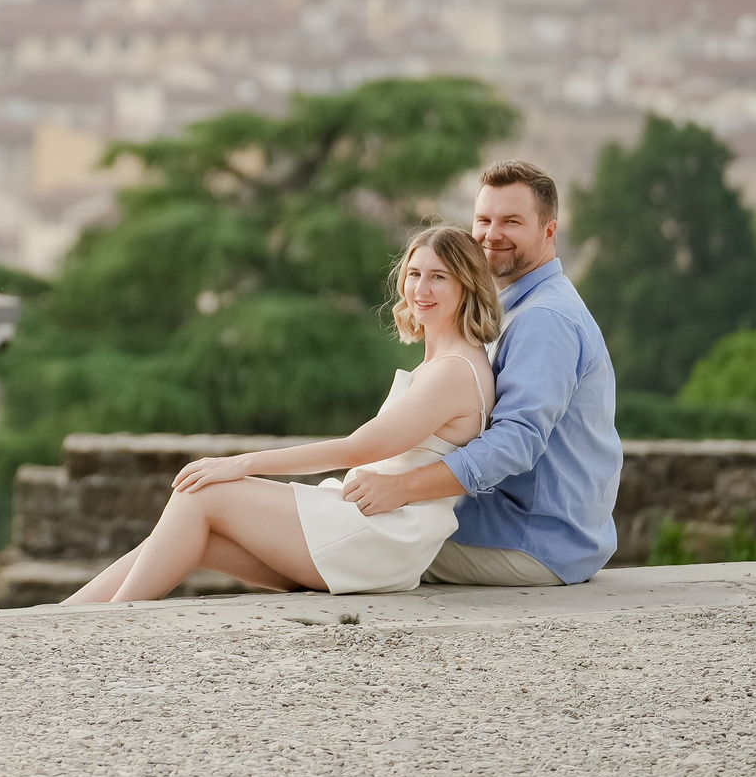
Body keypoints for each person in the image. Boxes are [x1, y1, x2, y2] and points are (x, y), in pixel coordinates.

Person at [65, 224, 502, 601]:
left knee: (203, 492)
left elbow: (359, 449)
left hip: (379, 537)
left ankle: (107, 623)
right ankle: (65, 618)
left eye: (438, 277)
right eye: (414, 274)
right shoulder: (445, 361)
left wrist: (241, 463)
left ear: (466, 285)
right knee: (195, 537)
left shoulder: (454, 371)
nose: (420, 289)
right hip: (369, 527)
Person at [346, 158, 623, 587]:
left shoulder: (543, 319)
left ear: (549, 231)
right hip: (529, 530)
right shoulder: (517, 306)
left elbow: (516, 441)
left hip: (531, 542)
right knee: (329, 527)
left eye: (511, 221)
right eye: (483, 219)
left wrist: (400, 489)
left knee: (347, 540)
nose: (492, 235)